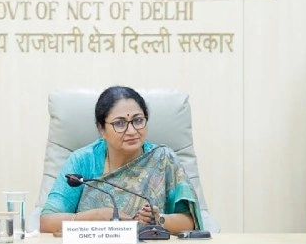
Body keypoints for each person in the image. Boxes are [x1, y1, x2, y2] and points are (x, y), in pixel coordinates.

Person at [40, 86, 203, 234]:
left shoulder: (164, 159)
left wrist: (159, 219)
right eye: (120, 123)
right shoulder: (83, 160)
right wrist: (94, 217)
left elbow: (191, 222)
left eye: (138, 120)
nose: (131, 131)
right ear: (101, 129)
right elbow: (47, 222)